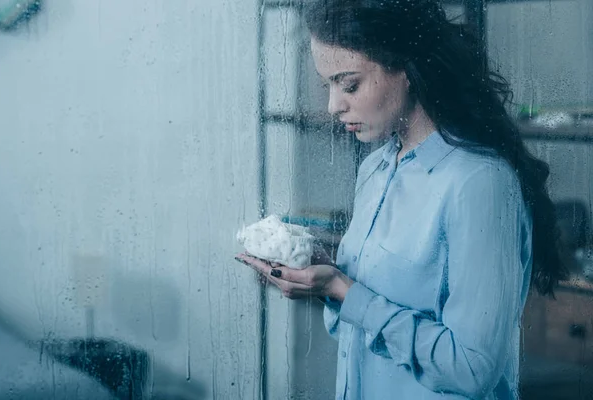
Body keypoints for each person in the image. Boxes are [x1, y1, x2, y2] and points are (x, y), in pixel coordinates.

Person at [236, 0, 568, 398]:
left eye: (350, 84)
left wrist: (344, 289)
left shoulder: (479, 183)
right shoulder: (375, 169)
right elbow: (352, 331)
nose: (333, 105)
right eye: (328, 85)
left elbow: (472, 368)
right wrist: (321, 278)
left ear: (407, 70)